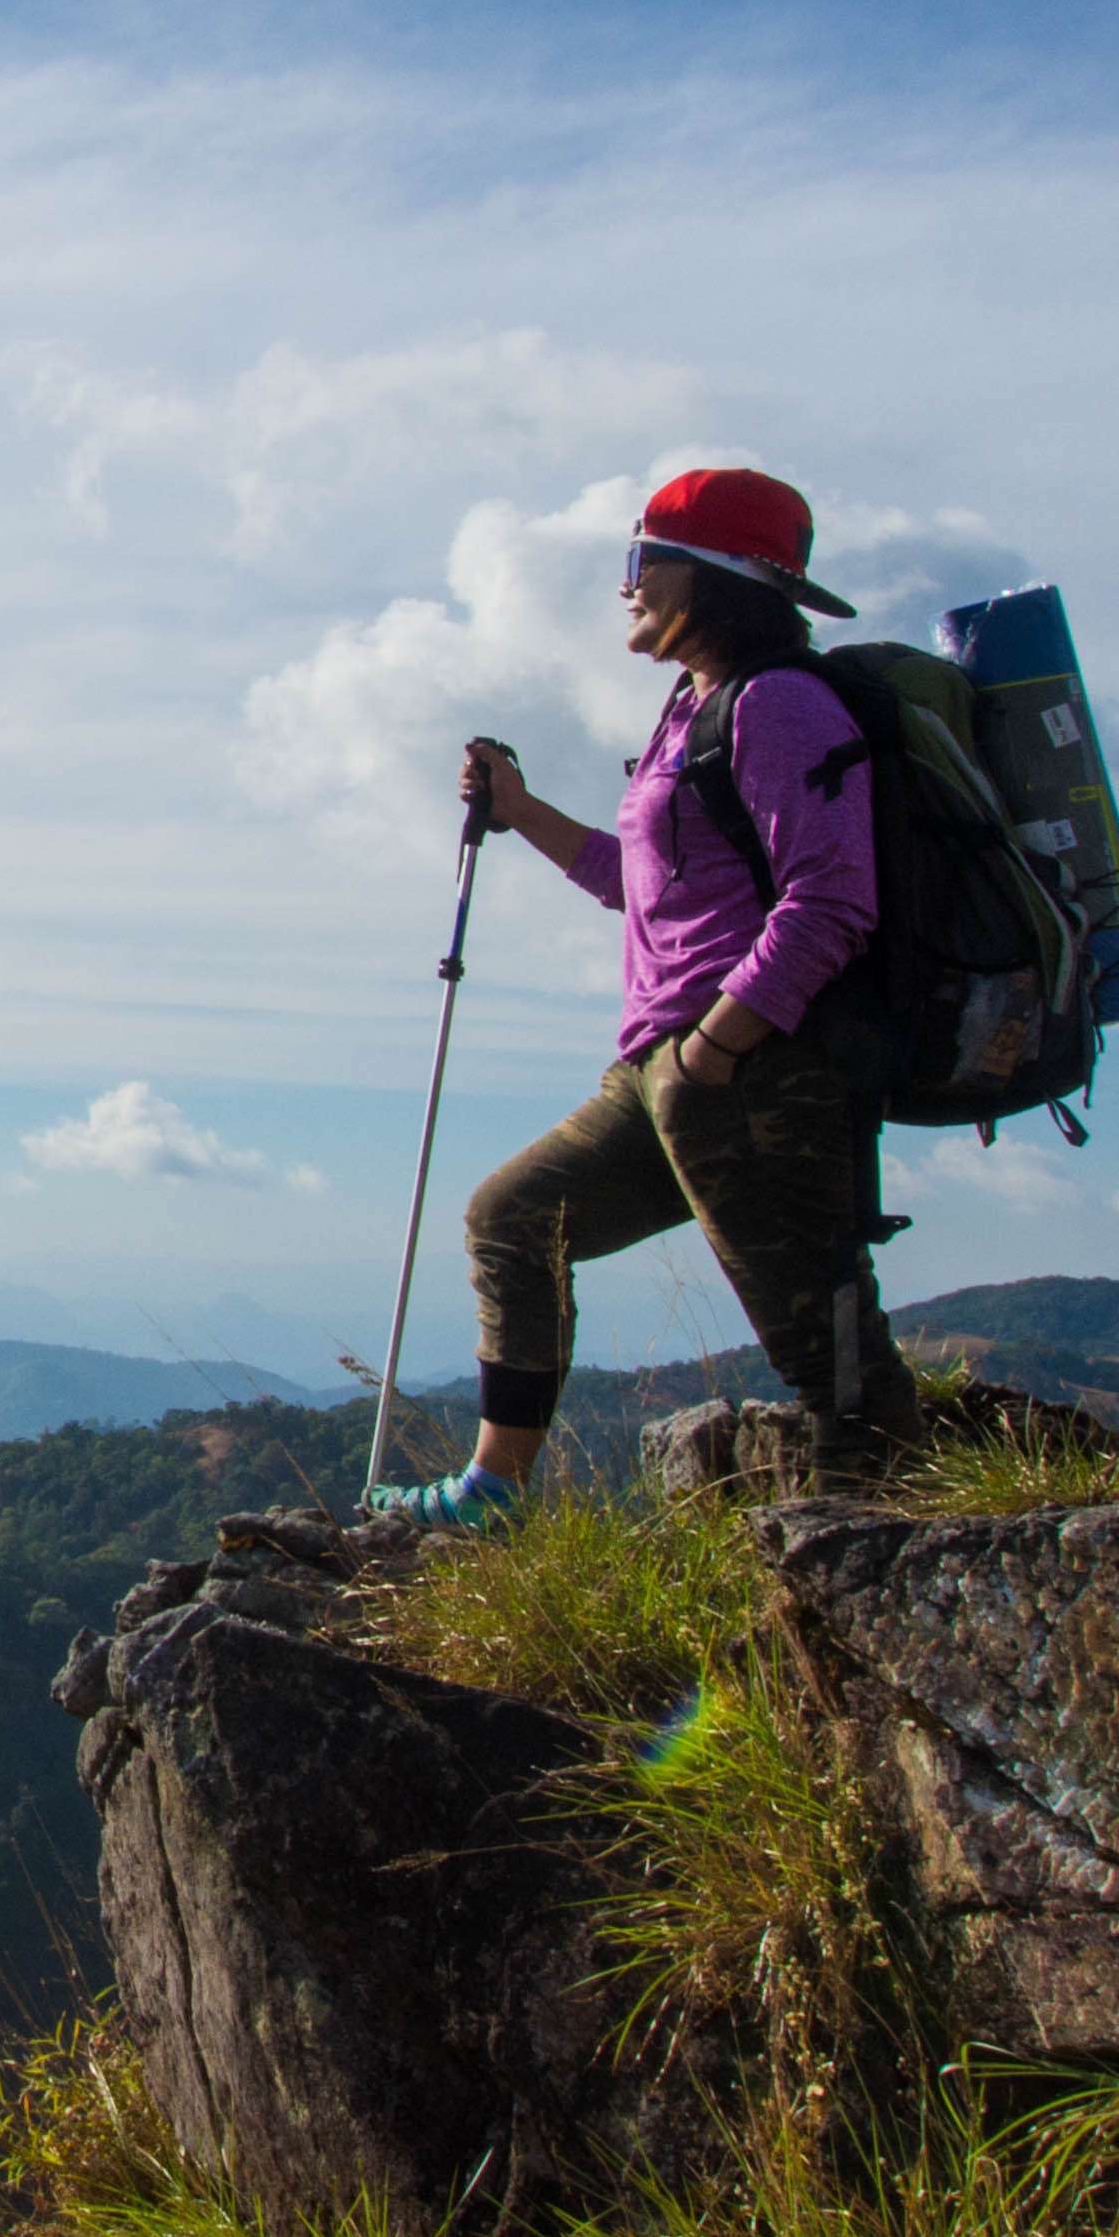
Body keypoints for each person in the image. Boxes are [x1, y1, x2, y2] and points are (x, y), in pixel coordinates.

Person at [380, 465, 926, 1513]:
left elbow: (832, 898)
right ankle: (493, 1494)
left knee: (825, 1345)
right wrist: (522, 810)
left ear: (711, 578)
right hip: (671, 1067)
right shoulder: (697, 713)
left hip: (755, 1059)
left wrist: (718, 1048)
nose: (626, 584)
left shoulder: (780, 708)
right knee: (513, 1217)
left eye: (640, 561)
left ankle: (884, 1544)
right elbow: (635, 888)